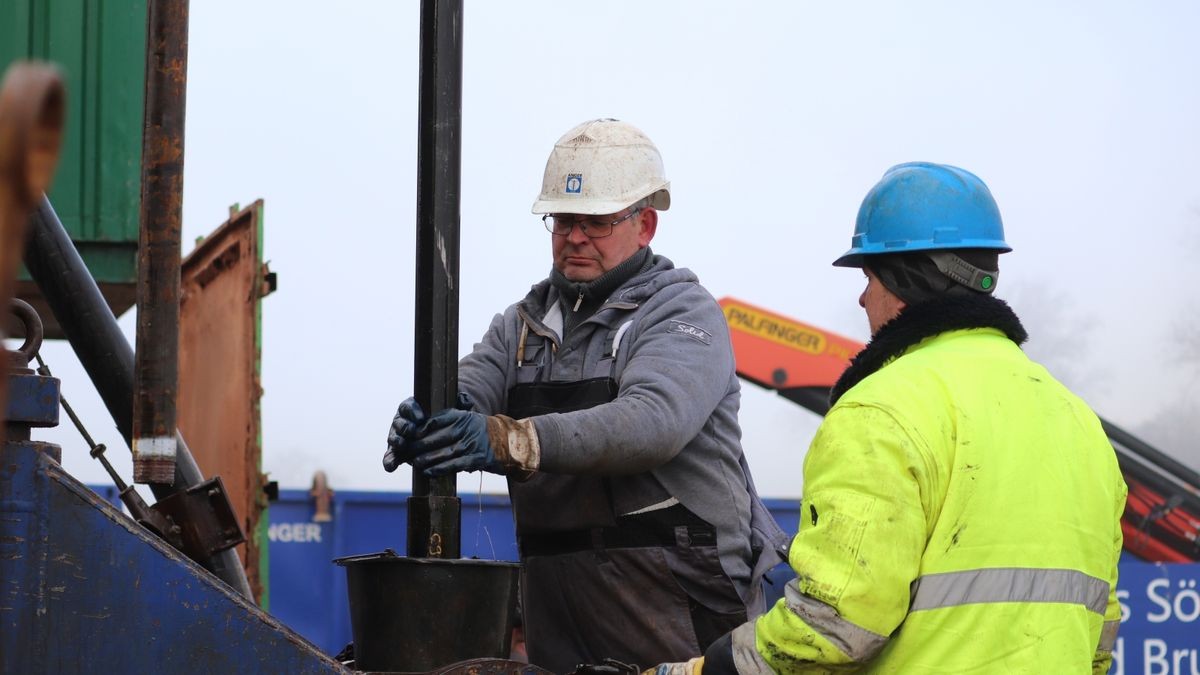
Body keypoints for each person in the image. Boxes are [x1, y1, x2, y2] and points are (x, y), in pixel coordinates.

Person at [650, 162, 1127, 674]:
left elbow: (832, 626)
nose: (862, 297)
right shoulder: (1078, 422)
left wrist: (705, 669)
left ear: (907, 277)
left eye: (869, 276)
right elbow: (1099, 633)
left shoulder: (881, 408)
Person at [384, 118, 789, 674]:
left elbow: (652, 423)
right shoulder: (522, 326)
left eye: (595, 221)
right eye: (563, 220)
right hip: (563, 611)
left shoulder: (680, 314)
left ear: (645, 225)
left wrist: (512, 441)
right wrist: (431, 417)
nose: (574, 237)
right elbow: (470, 390)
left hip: (679, 611)